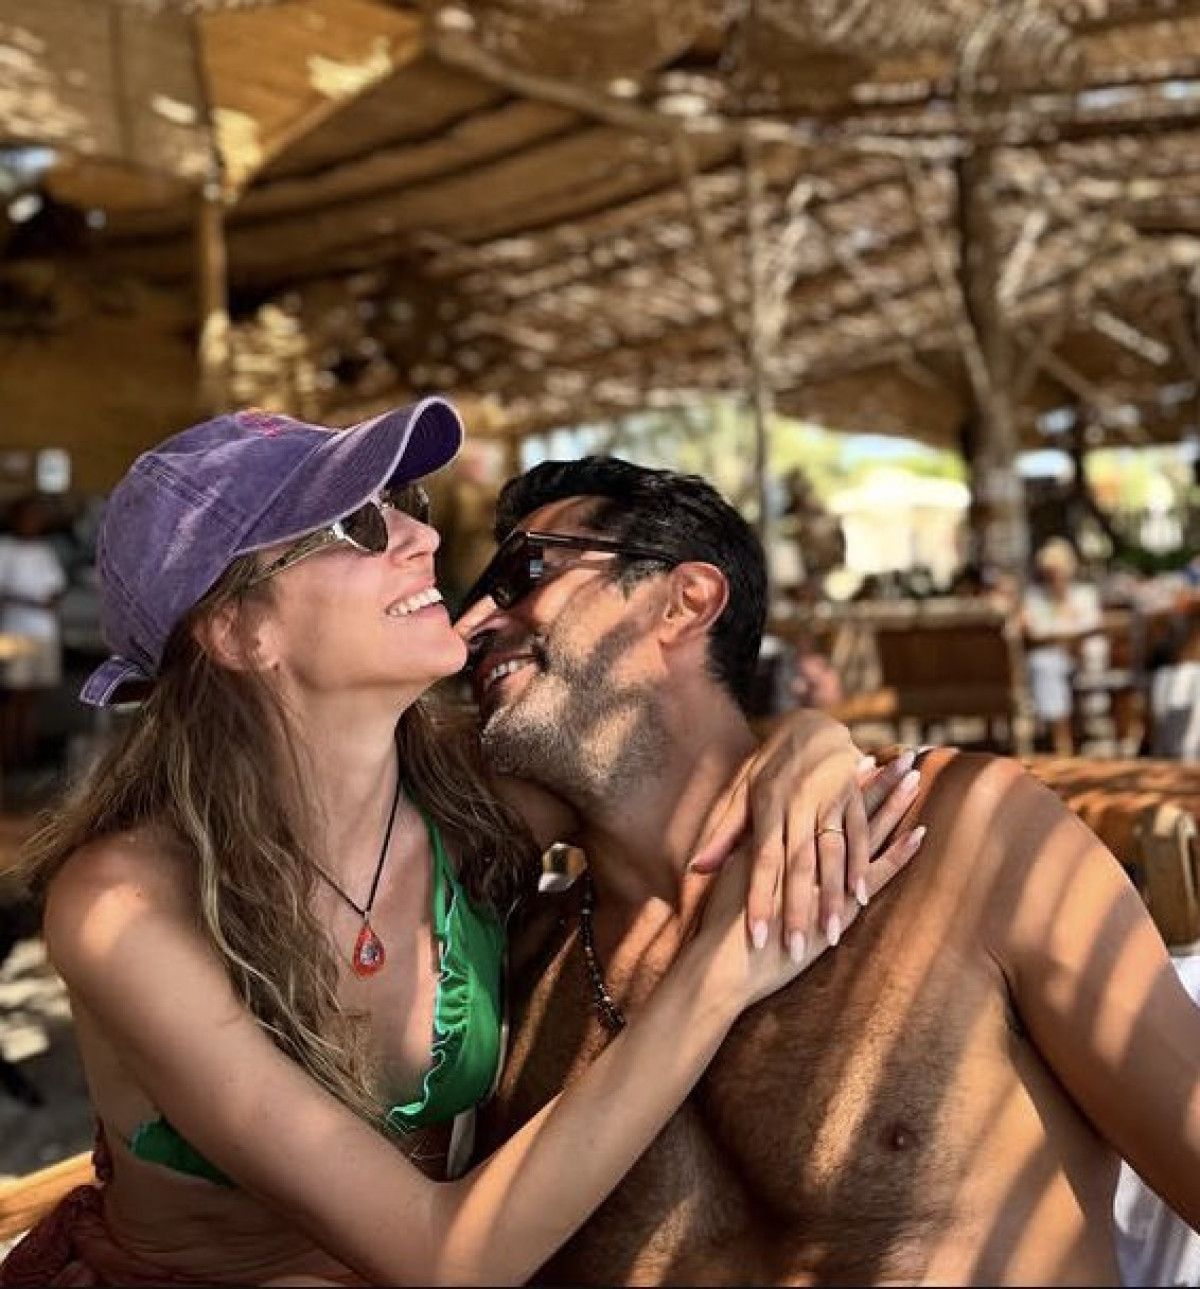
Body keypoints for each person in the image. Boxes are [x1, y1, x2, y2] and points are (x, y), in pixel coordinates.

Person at [1, 402, 917, 1288]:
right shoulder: (124, 906)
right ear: (239, 630)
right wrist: (724, 971)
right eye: (360, 525)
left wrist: (809, 744)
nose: (425, 538)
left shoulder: (469, 807)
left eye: (407, 506)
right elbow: (447, 1261)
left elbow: (684, 758)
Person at [464, 456, 1200, 1285]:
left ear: (686, 600)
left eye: (525, 573)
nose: (473, 623)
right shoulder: (514, 982)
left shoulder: (966, 838)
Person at [0, 494, 67, 771]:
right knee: (13, 696)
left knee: (32, 699)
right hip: (15, 632)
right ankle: (8, 755)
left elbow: (56, 588)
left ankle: (27, 754)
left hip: (44, 633)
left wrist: (47, 601)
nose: (34, 522)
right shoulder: (5, 549)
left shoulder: (44, 551)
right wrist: (34, 602)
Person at [1021, 536, 1103, 755]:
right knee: (1045, 664)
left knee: (1048, 664)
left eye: (1058, 570)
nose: (1054, 576)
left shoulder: (1084, 595)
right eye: (1049, 571)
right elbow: (1034, 632)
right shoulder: (1035, 597)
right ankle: (1061, 739)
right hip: (1051, 659)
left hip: (1082, 658)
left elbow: (1090, 630)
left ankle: (1064, 740)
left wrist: (1059, 636)